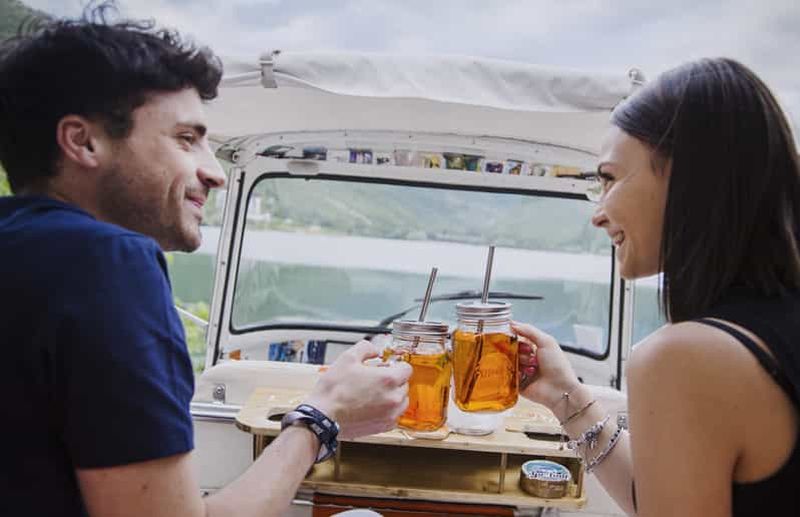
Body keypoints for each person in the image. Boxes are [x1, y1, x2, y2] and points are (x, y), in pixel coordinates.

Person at [0, 5, 411, 517]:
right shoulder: (106, 264)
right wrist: (322, 419)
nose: (214, 173)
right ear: (84, 141)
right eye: (186, 139)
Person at [514, 57, 800, 516]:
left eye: (609, 179)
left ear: (689, 178)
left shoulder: (686, 358)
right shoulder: (775, 327)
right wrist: (562, 394)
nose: (598, 212)